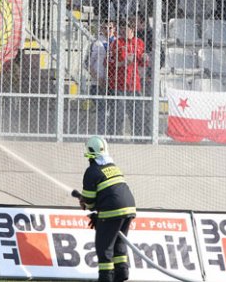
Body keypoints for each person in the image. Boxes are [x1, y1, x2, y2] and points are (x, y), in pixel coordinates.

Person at [76, 136, 137, 282]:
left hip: (112, 210)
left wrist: (88, 207)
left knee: (104, 248)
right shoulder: (113, 166)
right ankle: (121, 276)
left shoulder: (91, 171)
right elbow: (109, 192)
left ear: (90, 152)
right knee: (119, 244)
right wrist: (98, 214)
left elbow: (90, 200)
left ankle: (106, 279)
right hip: (129, 208)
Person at [106, 20, 148, 137]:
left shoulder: (139, 43)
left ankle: (139, 138)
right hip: (119, 85)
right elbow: (109, 62)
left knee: (137, 115)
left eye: (126, 29)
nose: (123, 31)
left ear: (132, 29)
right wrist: (122, 63)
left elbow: (142, 63)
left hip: (134, 85)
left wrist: (144, 59)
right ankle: (115, 137)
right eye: (122, 29)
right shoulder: (116, 43)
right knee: (118, 115)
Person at [88, 22, 115, 134]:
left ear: (114, 28)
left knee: (114, 111)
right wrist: (98, 79)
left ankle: (112, 135)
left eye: (110, 28)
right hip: (98, 84)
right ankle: (101, 134)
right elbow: (88, 64)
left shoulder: (118, 42)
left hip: (113, 84)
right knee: (102, 109)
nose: (107, 30)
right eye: (105, 27)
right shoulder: (96, 43)